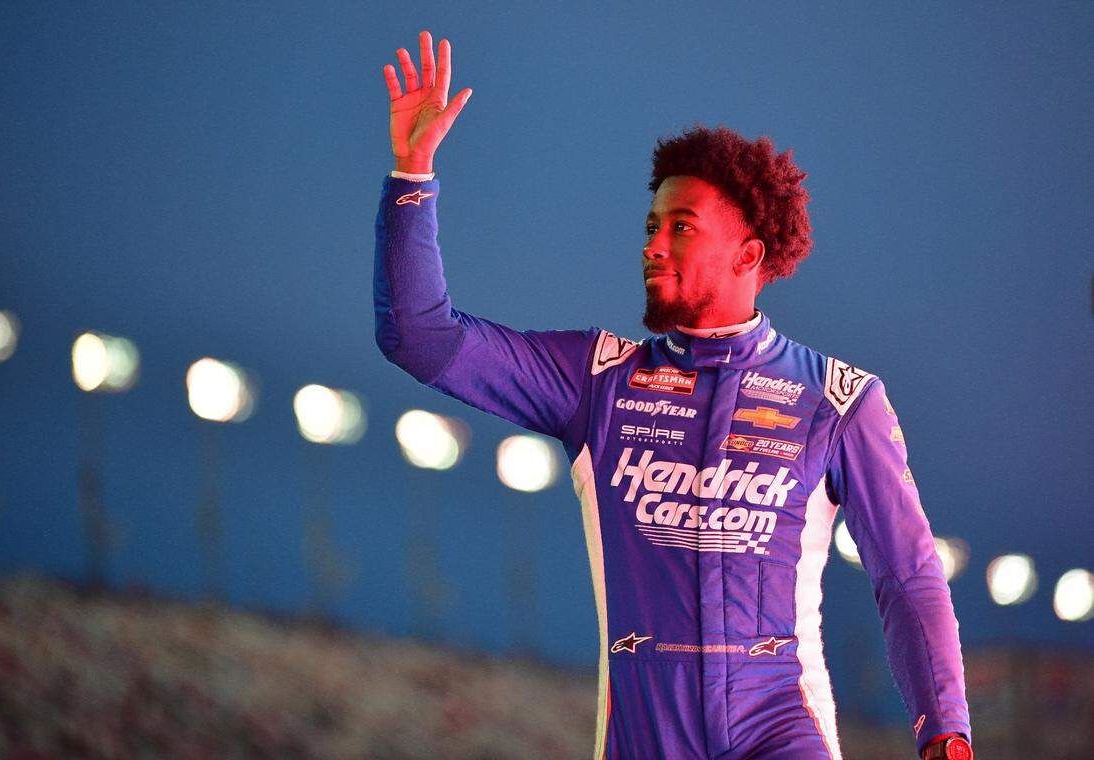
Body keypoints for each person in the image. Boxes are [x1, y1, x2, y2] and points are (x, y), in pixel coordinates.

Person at [374, 30, 973, 760]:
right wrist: (413, 174)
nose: (652, 244)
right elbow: (422, 338)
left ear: (749, 254)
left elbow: (907, 576)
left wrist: (946, 733)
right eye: (652, 226)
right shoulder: (596, 380)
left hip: (782, 732)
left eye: (680, 227)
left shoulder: (840, 401)